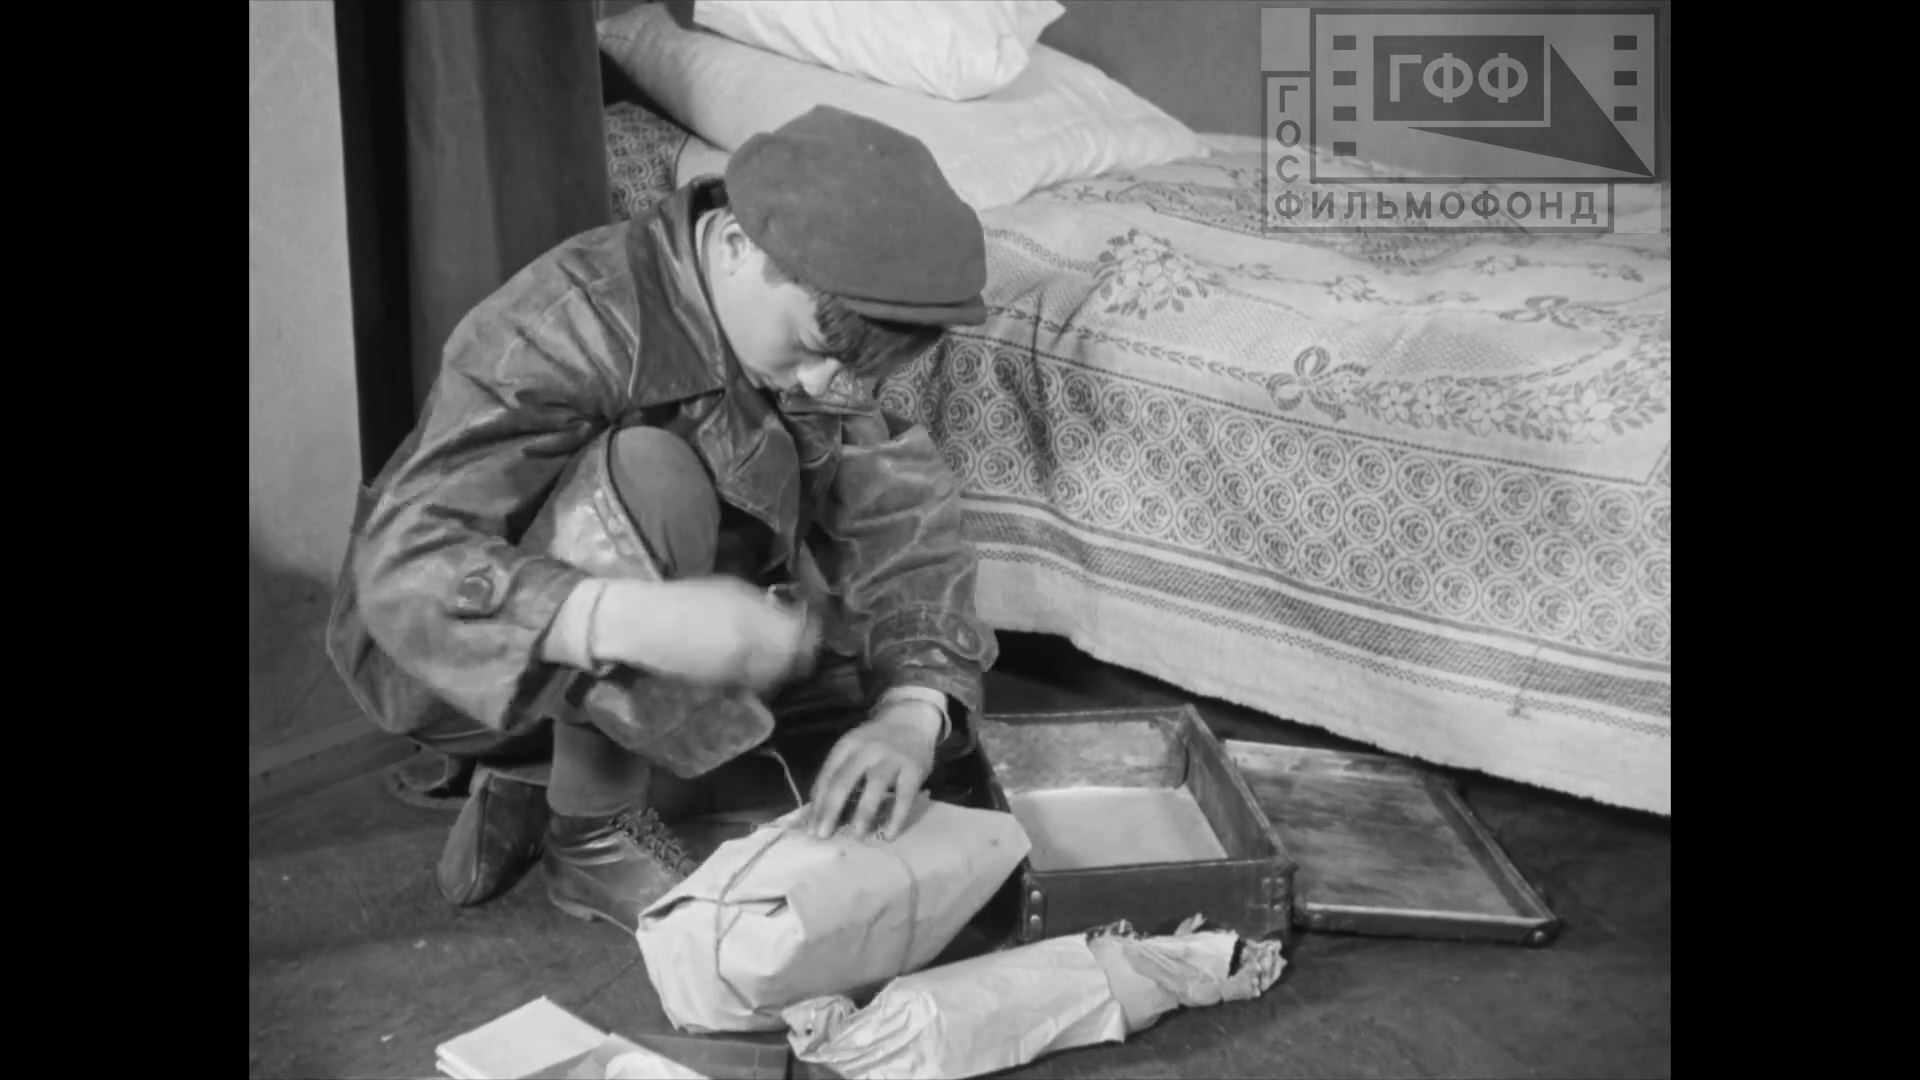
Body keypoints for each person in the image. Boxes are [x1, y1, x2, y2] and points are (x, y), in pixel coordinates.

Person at [325, 106, 998, 933]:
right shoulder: (570, 318)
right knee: (654, 474)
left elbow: (903, 518)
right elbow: (402, 566)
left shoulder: (812, 332)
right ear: (738, 244)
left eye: (849, 368)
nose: (824, 384)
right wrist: (630, 619)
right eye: (811, 345)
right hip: (441, 662)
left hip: (637, 651)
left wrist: (912, 712)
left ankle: (534, 777)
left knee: (855, 681)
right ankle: (591, 830)